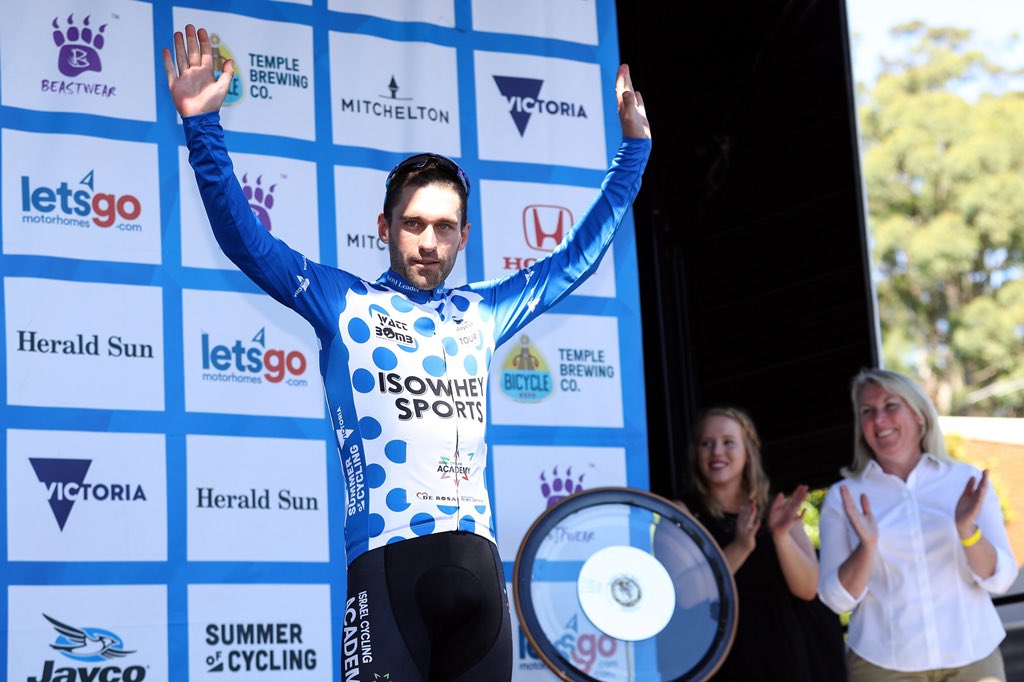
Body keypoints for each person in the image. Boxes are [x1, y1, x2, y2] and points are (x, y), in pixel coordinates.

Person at [163, 24, 651, 681]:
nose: (429, 242)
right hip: (389, 572)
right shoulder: (343, 303)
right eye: (414, 224)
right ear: (385, 228)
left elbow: (577, 260)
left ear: (464, 235)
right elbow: (246, 241)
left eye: (444, 227)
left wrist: (635, 154)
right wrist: (203, 128)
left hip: (480, 576)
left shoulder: (482, 313)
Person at [819, 369, 1019, 681]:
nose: (879, 419)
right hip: (883, 664)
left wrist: (967, 531)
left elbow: (1000, 579)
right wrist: (866, 548)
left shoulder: (966, 481)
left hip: (972, 656)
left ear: (919, 415)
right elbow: (835, 599)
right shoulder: (843, 497)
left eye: (890, 405)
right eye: (867, 412)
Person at [683, 407, 844, 681]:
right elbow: (684, 595)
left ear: (748, 451)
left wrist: (780, 537)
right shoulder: (682, 512)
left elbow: (807, 589)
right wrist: (740, 547)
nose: (716, 452)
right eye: (706, 444)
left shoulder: (776, 507)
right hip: (718, 655)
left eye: (728, 442)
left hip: (782, 653)